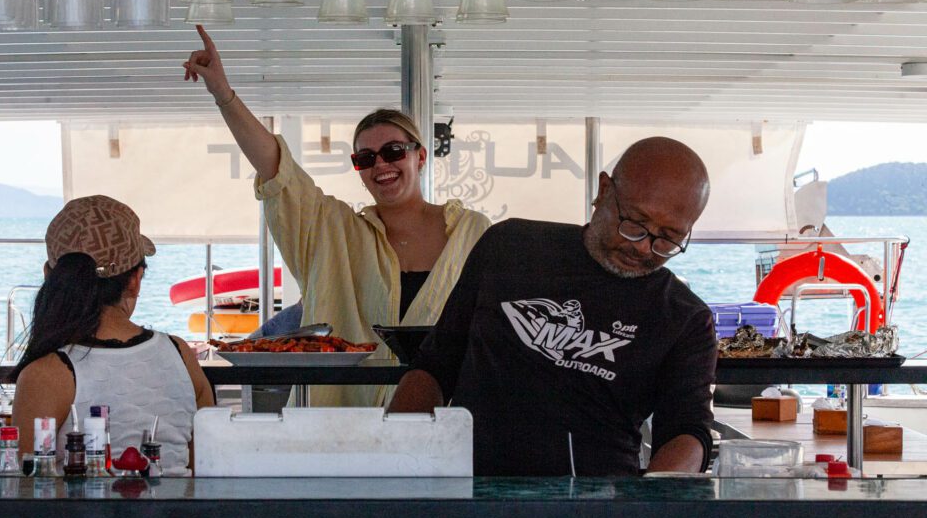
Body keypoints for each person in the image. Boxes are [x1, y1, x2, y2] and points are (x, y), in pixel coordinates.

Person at [182, 25, 490, 407]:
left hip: (446, 424)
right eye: (365, 158)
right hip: (345, 425)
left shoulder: (472, 232)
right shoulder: (336, 232)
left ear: (420, 156)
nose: (381, 165)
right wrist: (224, 95)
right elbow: (279, 173)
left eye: (394, 151)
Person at [388, 137, 716, 477]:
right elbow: (434, 367)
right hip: (474, 492)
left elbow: (687, 431)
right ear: (603, 191)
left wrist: (650, 504)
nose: (646, 248)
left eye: (669, 237)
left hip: (599, 506)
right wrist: (396, 462)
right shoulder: (509, 247)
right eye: (634, 223)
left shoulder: (684, 317)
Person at [10, 195, 214, 476]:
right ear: (134, 280)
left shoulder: (46, 374)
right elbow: (206, 463)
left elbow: (24, 486)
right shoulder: (179, 354)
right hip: (179, 515)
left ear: (50, 276)